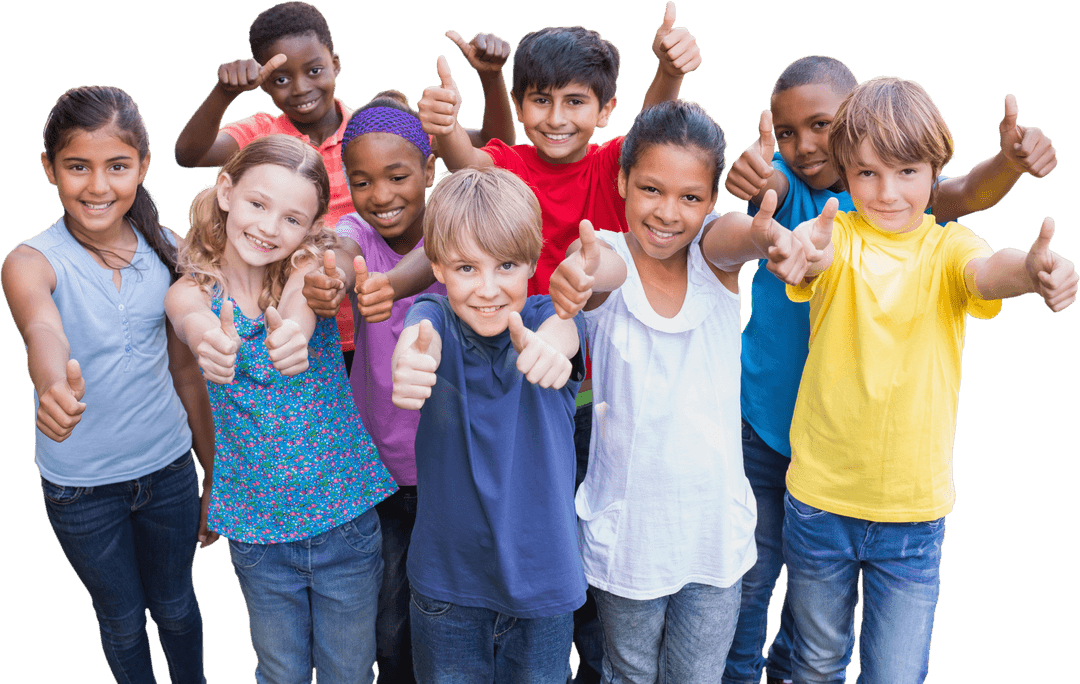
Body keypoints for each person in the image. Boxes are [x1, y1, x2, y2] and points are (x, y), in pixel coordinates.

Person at [719, 55, 1059, 684]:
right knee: (779, 613)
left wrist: (1030, 269)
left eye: (906, 172)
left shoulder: (923, 232)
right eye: (868, 174)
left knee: (862, 655)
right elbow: (808, 242)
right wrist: (788, 235)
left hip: (897, 500)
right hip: (794, 463)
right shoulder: (823, 218)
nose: (887, 191)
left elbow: (977, 248)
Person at [547, 99, 810, 684]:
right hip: (630, 536)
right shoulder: (606, 253)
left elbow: (736, 237)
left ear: (712, 200)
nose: (668, 213)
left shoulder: (713, 258)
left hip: (713, 537)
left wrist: (768, 234)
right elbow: (598, 276)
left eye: (690, 197)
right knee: (628, 672)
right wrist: (578, 276)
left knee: (697, 676)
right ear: (622, 181)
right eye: (650, 190)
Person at [174, 1, 515, 373]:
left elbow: (495, 152)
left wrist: (490, 77)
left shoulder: (376, 134)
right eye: (281, 79)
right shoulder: (262, 135)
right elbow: (190, 153)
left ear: (335, 64)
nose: (301, 88)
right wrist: (224, 94)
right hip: (299, 331)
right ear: (264, 84)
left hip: (372, 329)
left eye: (315, 70)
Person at [165, 135, 397, 683]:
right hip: (257, 532)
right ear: (226, 191)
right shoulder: (190, 293)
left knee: (348, 672)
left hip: (344, 518)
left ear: (311, 227)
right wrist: (209, 344)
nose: (270, 228)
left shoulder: (308, 269)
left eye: (293, 219)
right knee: (280, 673)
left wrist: (293, 333)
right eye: (258, 204)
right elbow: (191, 320)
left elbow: (304, 301)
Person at [1, 85, 213, 683]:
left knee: (176, 608)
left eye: (117, 166)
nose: (98, 186)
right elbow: (43, 328)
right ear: (49, 169)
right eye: (77, 167)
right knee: (121, 619)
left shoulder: (172, 250)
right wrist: (51, 387)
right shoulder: (31, 260)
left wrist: (212, 471)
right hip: (81, 490)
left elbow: (185, 370)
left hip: (168, 471)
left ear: (142, 167)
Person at [390, 167, 587, 683]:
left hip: (543, 590)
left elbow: (561, 330)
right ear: (436, 265)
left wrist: (550, 347)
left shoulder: (550, 319)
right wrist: (410, 358)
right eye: (465, 268)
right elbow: (420, 330)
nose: (488, 288)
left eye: (505, 265)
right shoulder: (433, 315)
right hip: (448, 590)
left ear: (532, 263)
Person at [301, 90, 447, 683]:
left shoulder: (455, 227)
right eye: (361, 181)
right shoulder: (355, 235)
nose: (381, 195)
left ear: (429, 170)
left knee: (447, 606)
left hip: (452, 464)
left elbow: (446, 252)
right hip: (379, 468)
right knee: (387, 618)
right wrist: (324, 279)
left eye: (396, 175)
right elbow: (333, 252)